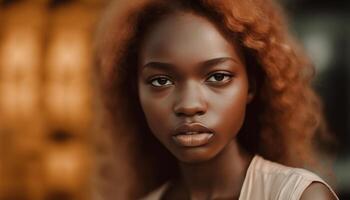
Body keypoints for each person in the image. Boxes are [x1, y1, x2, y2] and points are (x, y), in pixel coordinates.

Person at [95, 0, 339, 199]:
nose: (189, 105)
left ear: (251, 85)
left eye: (218, 76)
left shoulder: (297, 196)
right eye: (161, 81)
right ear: (135, 91)